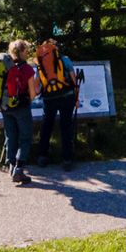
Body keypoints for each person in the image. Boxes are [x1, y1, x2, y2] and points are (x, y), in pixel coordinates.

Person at [0, 39, 41, 184]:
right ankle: (19, 169)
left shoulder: (5, 67)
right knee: (25, 137)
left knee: (10, 135)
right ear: (23, 52)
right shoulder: (27, 69)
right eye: (27, 50)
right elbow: (32, 94)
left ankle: (11, 166)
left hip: (5, 107)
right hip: (21, 108)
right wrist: (37, 86)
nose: (28, 53)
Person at [32, 37, 84, 170]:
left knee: (47, 126)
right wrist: (76, 99)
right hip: (67, 97)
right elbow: (74, 82)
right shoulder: (65, 60)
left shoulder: (41, 63)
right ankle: (67, 159)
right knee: (66, 126)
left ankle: (42, 156)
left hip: (49, 99)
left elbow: (37, 87)